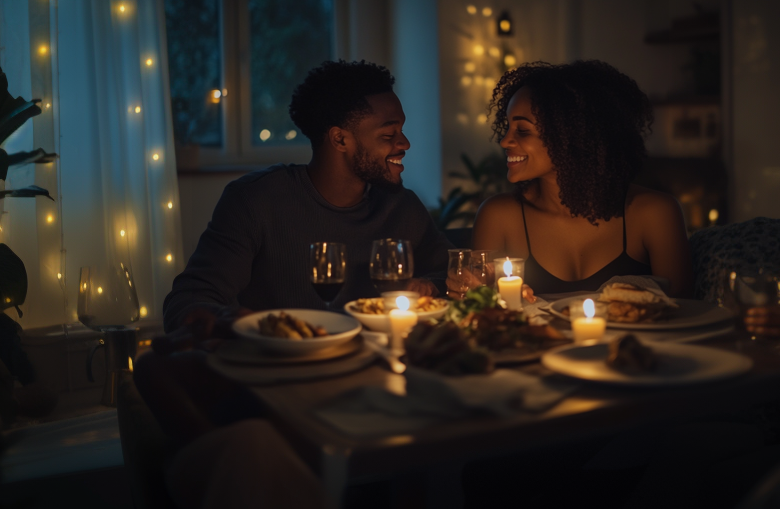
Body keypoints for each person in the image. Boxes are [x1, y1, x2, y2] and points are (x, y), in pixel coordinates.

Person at [163, 59, 451, 333]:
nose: (405, 143)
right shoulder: (256, 200)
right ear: (340, 139)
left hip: (380, 364)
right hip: (286, 368)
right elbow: (188, 301)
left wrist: (430, 286)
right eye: (389, 135)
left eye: (401, 131)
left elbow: (448, 273)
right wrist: (229, 319)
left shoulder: (401, 206)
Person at [448, 60, 693, 299]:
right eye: (507, 128)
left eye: (522, 131)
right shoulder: (498, 216)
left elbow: (685, 316)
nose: (504, 142)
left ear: (573, 137)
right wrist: (472, 295)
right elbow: (481, 311)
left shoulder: (656, 213)